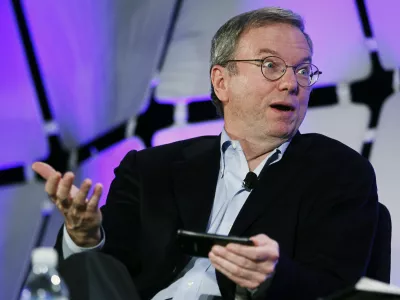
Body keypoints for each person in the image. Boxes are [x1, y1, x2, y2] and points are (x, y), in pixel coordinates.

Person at [32, 6, 379, 300]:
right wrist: (85, 236)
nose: (291, 84)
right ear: (221, 81)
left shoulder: (339, 173)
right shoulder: (151, 167)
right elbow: (105, 273)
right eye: (270, 66)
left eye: (303, 70)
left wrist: (273, 277)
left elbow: (338, 288)